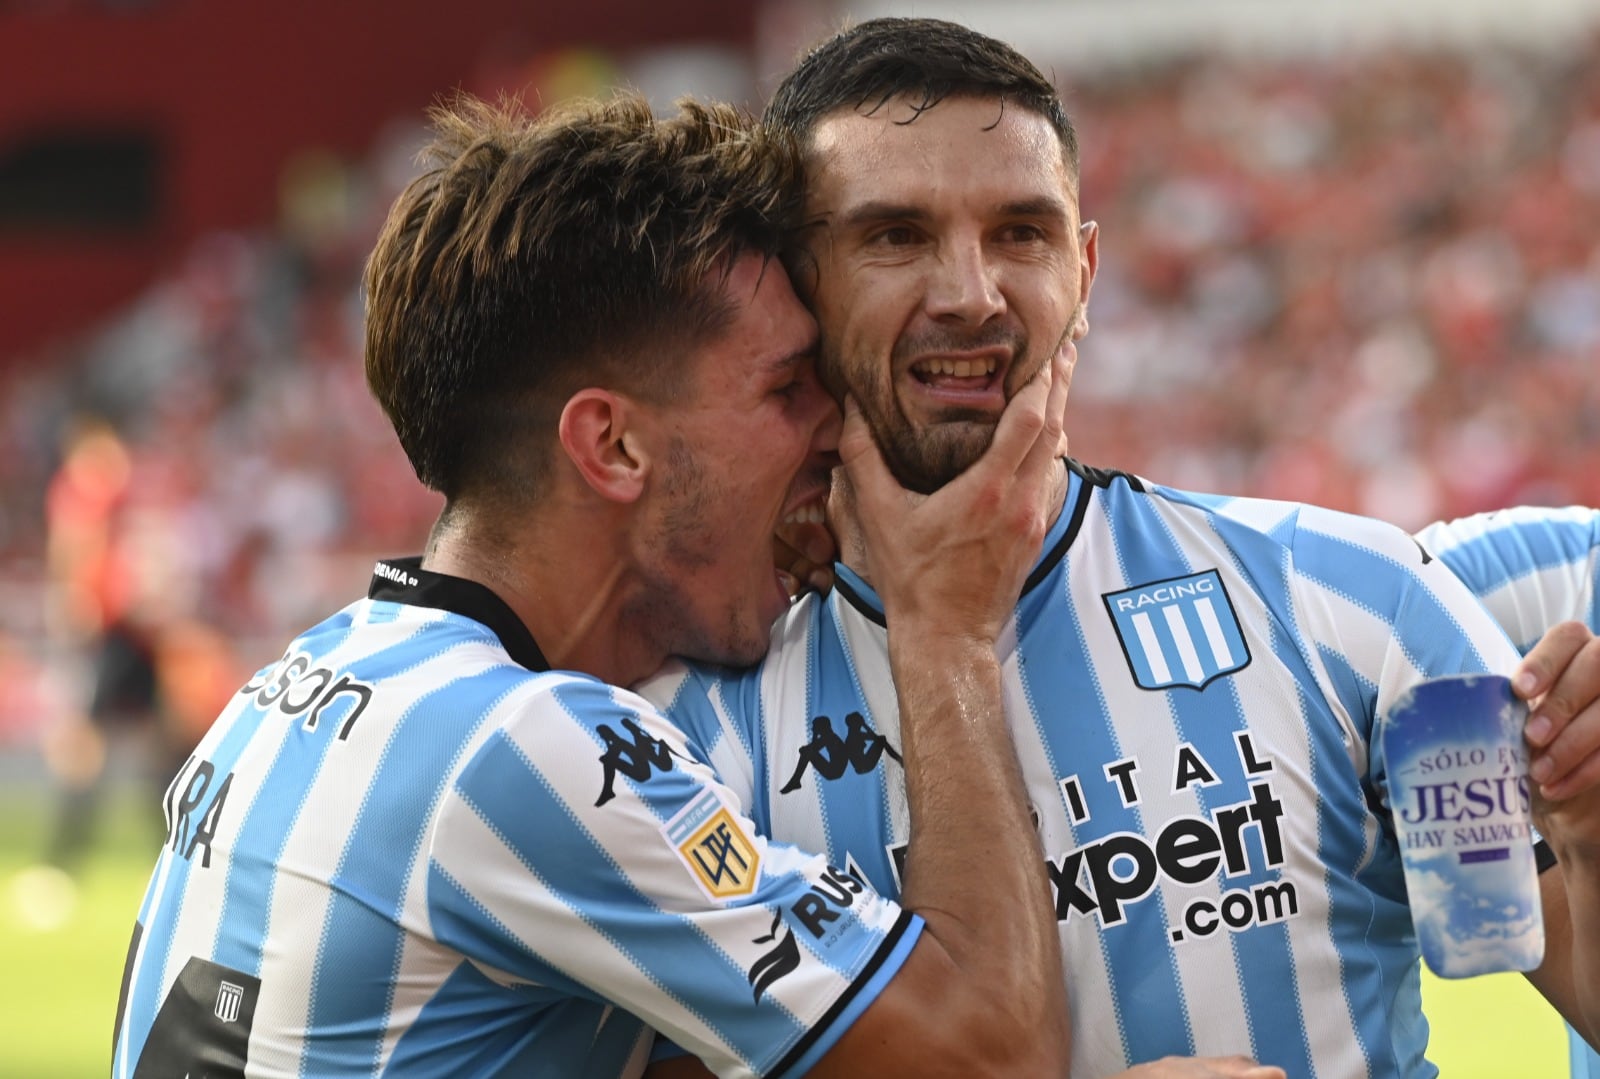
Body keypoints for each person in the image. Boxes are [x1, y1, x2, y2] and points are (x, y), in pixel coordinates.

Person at [638, 18, 1600, 1077]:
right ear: (796, 286)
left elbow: (1548, 966)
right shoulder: (685, 739)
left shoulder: (1346, 602)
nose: (969, 292)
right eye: (893, 236)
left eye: (1021, 233)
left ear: (1085, 271)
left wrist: (1592, 846)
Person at [109, 90, 1090, 1078]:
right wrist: (944, 625)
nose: (836, 431)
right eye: (786, 389)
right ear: (612, 444)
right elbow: (989, 1054)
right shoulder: (527, 750)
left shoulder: (306, 676)